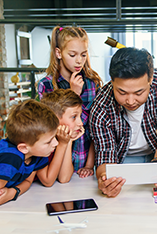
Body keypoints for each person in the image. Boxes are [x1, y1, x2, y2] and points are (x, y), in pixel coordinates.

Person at [89, 47, 157, 197]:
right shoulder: (101, 106)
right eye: (122, 92)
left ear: (150, 79)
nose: (130, 101)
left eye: (139, 93)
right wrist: (106, 180)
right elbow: (105, 154)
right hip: (121, 160)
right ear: (112, 81)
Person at [37, 26, 102, 177]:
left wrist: (89, 165)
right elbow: (49, 127)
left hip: (85, 159)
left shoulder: (93, 84)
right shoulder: (46, 85)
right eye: (72, 55)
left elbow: (96, 127)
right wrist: (74, 94)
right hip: (56, 162)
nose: (79, 61)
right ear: (59, 53)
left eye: (84, 55)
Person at [0, 100, 61, 205]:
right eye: (48, 141)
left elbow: (27, 182)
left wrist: (12, 193)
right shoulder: (10, 158)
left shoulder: (37, 154)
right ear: (24, 148)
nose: (56, 143)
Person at [40, 89, 85, 182]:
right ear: (55, 119)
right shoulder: (41, 142)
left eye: (80, 116)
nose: (80, 123)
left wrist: (68, 141)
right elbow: (48, 181)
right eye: (74, 117)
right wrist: (63, 144)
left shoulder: (60, 139)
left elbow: (64, 178)